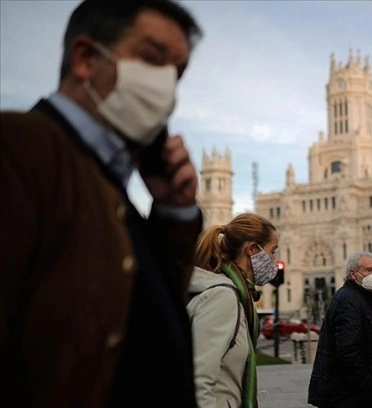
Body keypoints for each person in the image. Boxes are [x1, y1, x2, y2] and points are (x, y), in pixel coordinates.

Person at [0, 1, 203, 406]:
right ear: (86, 59)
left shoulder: (106, 180)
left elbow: (140, 313)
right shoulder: (20, 147)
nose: (165, 84)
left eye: (176, 73)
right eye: (150, 59)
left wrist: (173, 214)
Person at [188, 213, 280, 408]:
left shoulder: (239, 295)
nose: (274, 261)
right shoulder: (223, 297)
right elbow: (199, 380)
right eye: (273, 251)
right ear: (253, 249)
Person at [308, 252, 372, 408]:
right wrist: (368, 384)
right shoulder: (349, 301)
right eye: (368, 270)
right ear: (353, 274)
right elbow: (348, 351)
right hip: (351, 396)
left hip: (353, 393)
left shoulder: (358, 298)